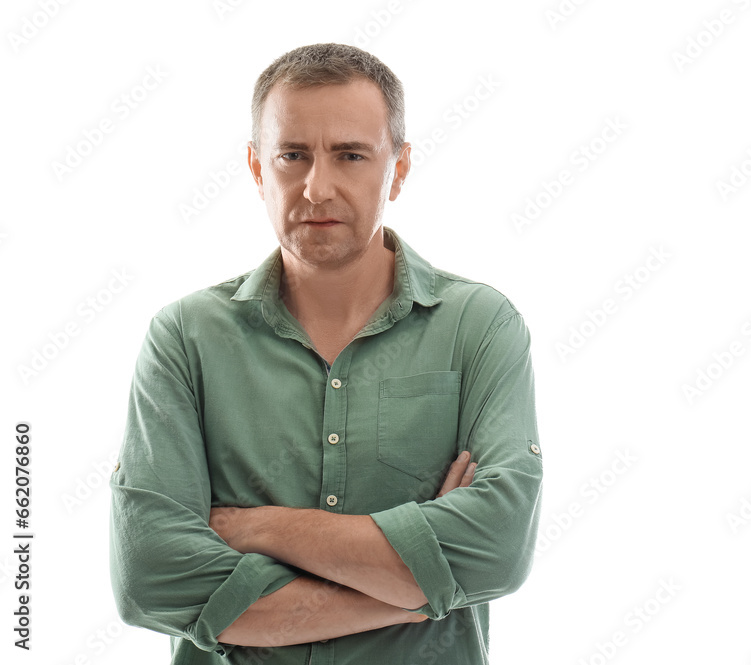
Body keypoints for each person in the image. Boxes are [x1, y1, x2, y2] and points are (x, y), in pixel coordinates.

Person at [109, 42, 543, 664]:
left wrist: (259, 528)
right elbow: (151, 579)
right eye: (293, 155)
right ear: (259, 168)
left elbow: (496, 548)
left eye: (350, 155)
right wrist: (420, 589)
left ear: (398, 167)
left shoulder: (479, 327)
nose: (317, 188)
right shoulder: (185, 338)